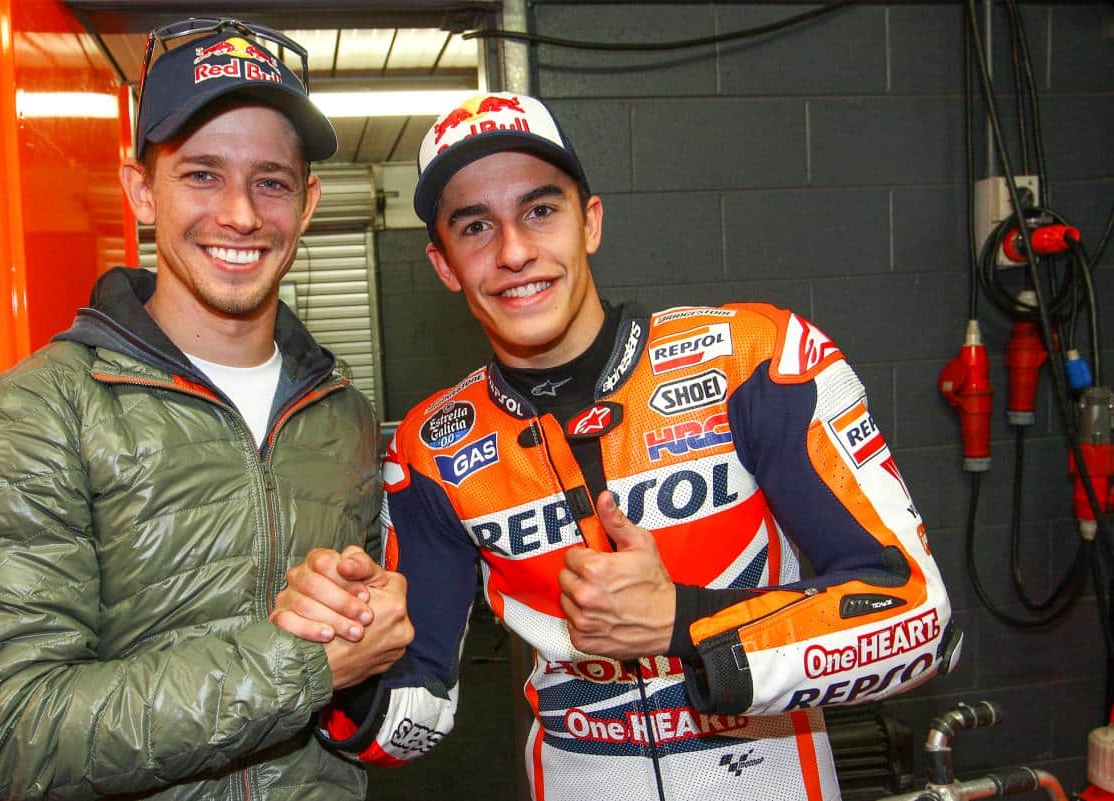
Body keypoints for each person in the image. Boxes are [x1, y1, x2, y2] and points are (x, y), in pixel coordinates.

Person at [273, 92, 960, 801]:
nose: (514, 252)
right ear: (445, 265)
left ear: (590, 222)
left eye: (541, 210)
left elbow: (919, 617)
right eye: (475, 226)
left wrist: (683, 623)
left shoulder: (757, 360)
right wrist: (342, 667)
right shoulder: (433, 449)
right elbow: (413, 716)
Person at [0, 18, 412, 801]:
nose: (241, 214)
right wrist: (298, 665)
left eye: (272, 181)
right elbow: (7, 727)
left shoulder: (342, 415)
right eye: (201, 175)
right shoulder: (34, 416)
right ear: (140, 191)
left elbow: (353, 683)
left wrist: (366, 614)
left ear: (308, 204)